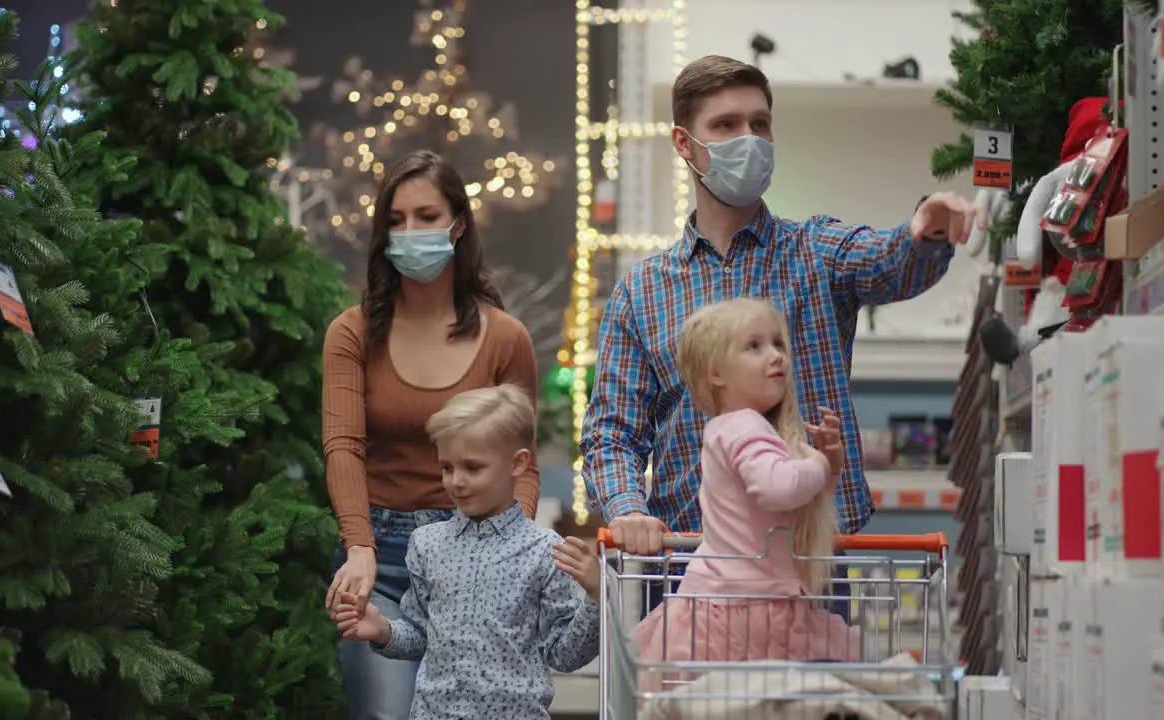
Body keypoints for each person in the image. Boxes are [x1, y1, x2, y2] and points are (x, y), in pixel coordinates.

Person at [581, 56, 985, 616]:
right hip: (689, 565)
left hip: (811, 562)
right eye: (725, 126)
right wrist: (627, 509)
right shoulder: (643, 291)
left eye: (760, 124)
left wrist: (927, 229)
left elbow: (892, 264)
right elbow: (612, 432)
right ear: (683, 143)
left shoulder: (815, 252)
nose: (749, 139)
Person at [321, 150, 542, 720]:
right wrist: (359, 549)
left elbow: (524, 463)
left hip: (474, 555)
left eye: (426, 216)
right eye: (395, 220)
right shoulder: (351, 333)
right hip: (382, 555)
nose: (410, 232)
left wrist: (512, 555)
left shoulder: (505, 338)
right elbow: (343, 446)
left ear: (458, 223)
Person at [332, 384, 602, 720]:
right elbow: (421, 636)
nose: (456, 481)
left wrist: (595, 596)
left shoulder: (545, 551)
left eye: (472, 468)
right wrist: (384, 630)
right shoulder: (426, 544)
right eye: (447, 467)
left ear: (518, 463)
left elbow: (564, 655)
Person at [632, 299, 861, 689]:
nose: (775, 356)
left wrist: (828, 466)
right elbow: (779, 488)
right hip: (742, 611)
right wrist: (821, 466)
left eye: (778, 344)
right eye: (753, 347)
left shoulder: (737, 427)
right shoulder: (743, 427)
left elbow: (785, 495)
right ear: (716, 373)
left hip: (733, 601)